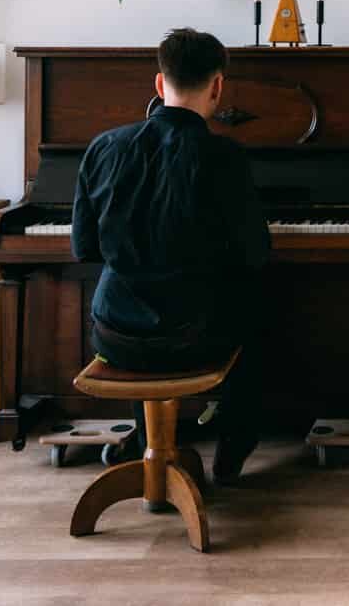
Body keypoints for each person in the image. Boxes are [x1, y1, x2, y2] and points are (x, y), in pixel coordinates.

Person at [71, 28, 270, 484]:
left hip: (114, 335)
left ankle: (153, 451)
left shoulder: (104, 147)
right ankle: (232, 453)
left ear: (159, 85)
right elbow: (255, 253)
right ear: (218, 87)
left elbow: (83, 249)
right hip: (196, 337)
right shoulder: (226, 157)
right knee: (258, 315)